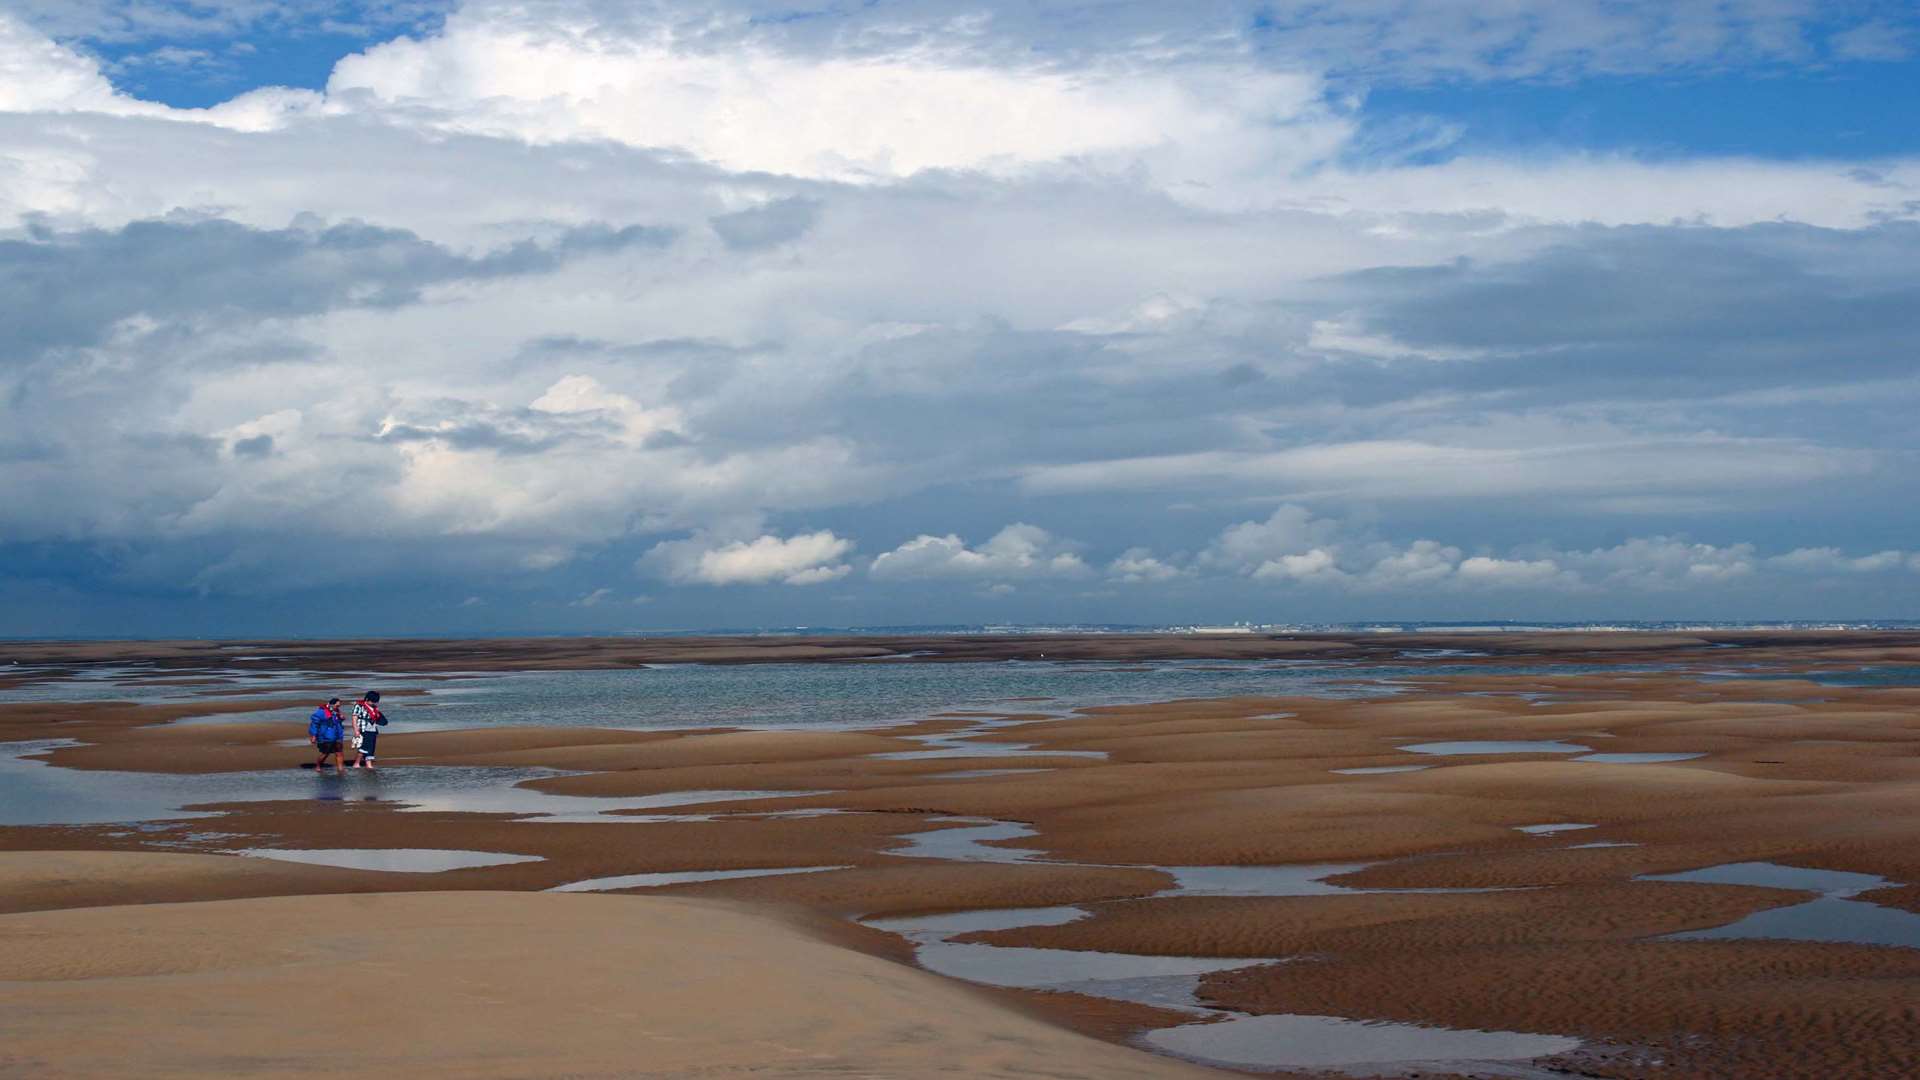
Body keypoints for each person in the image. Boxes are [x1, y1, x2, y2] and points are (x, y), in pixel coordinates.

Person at [308, 698, 346, 775]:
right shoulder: (321, 712)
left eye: (339, 706)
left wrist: (341, 718)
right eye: (337, 706)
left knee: (339, 752)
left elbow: (337, 721)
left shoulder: (336, 711)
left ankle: (340, 768)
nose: (338, 707)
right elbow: (314, 724)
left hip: (337, 735)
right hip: (326, 736)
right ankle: (318, 766)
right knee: (325, 753)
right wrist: (313, 735)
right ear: (332, 704)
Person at [351, 690, 388, 770]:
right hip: (363, 729)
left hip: (373, 729)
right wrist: (356, 730)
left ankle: (369, 764)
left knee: (371, 747)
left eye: (375, 701)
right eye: (372, 701)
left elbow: (378, 718)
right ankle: (356, 763)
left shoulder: (374, 708)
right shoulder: (359, 706)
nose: (374, 703)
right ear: (367, 699)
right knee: (364, 747)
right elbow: (354, 718)